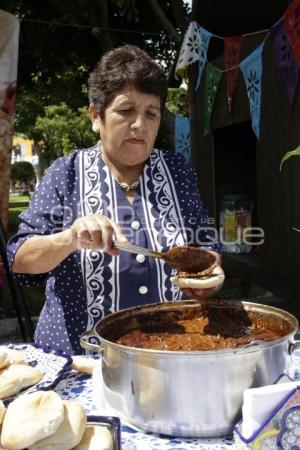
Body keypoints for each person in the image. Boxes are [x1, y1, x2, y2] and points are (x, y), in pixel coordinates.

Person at [7, 45, 223, 355]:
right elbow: (19, 260)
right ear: (96, 115)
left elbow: (206, 245)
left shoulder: (177, 172)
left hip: (169, 355)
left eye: (152, 113)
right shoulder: (65, 173)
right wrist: (70, 238)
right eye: (126, 111)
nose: (140, 124)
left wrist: (209, 275)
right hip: (80, 361)